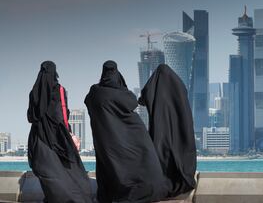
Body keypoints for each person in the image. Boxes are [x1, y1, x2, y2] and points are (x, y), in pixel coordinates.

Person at [85, 61, 196, 203]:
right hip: (164, 133)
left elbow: (142, 98)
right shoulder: (179, 89)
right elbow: (132, 102)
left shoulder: (94, 93)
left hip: (107, 141)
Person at [27, 61, 93, 203]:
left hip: (38, 136)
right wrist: (68, 132)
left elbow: (30, 117)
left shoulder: (33, 92)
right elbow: (62, 113)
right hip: (56, 133)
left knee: (49, 170)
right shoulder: (59, 89)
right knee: (69, 168)